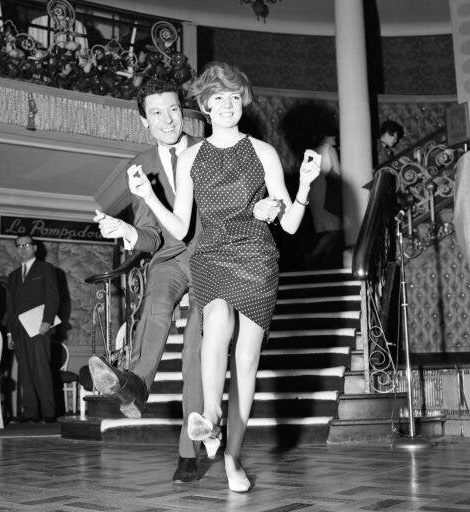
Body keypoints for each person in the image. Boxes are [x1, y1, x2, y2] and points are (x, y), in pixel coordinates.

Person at [128, 62, 320, 492]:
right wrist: (148, 197)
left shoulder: (264, 152)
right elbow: (179, 229)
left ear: (242, 101)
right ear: (204, 105)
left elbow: (288, 224)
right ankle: (210, 419)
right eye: (218, 97)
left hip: (256, 259)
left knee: (246, 362)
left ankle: (233, 458)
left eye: (235, 97)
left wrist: (303, 186)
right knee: (215, 318)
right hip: (211, 255)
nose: (228, 105)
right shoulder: (191, 157)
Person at [88, 79, 278, 484]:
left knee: (196, 351)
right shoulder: (139, 165)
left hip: (213, 258)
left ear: (185, 111)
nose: (167, 118)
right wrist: (125, 232)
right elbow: (152, 234)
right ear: (144, 120)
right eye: (156, 112)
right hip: (170, 259)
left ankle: (189, 452)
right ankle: (134, 385)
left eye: (173, 109)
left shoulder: (209, 146)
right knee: (154, 310)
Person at [6, 235, 59, 423]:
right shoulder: (12, 276)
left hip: (39, 328)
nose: (23, 248)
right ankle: (30, 413)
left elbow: (53, 297)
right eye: (19, 246)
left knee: (41, 369)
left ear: (35, 248)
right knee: (25, 372)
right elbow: (11, 306)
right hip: (19, 331)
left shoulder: (46, 269)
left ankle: (48, 413)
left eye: (27, 245)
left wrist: (47, 321)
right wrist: (10, 332)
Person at [305, 133, 344, 268]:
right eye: (333, 136)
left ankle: (323, 259)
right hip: (326, 188)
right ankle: (313, 256)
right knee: (334, 229)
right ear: (327, 137)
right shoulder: (330, 149)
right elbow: (338, 171)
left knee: (327, 228)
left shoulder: (314, 151)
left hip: (314, 189)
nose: (335, 139)